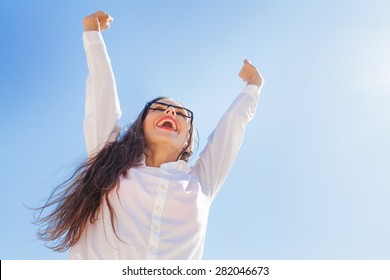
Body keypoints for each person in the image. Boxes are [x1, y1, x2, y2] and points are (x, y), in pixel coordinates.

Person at [35, 11, 263, 260]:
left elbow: (229, 132)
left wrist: (253, 86)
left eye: (180, 113)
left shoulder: (201, 182)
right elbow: (102, 98)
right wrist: (93, 36)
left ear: (188, 137)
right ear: (140, 126)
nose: (170, 111)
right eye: (159, 108)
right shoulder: (109, 161)